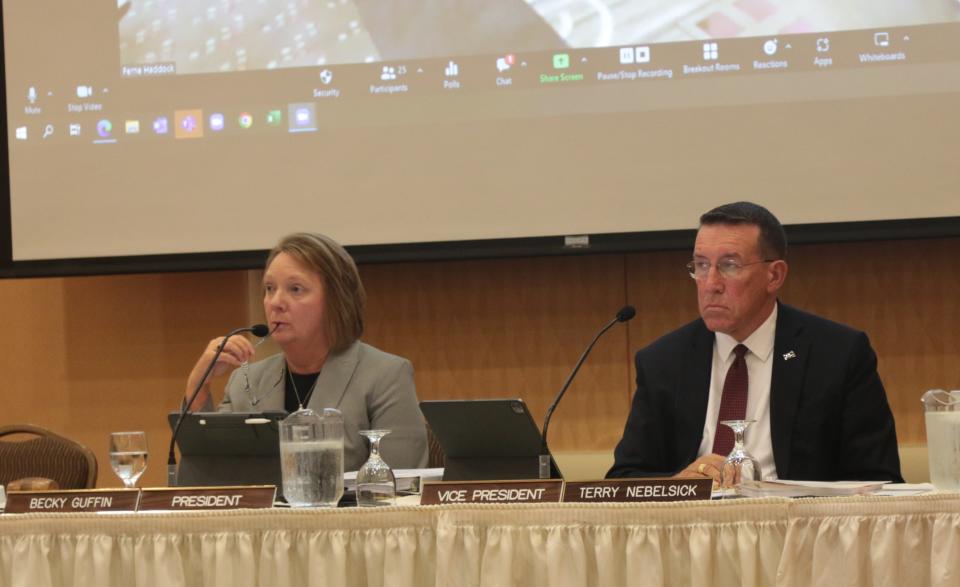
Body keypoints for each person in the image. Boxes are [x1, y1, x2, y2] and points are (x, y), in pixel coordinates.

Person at [608, 202, 903, 483]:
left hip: (797, 530)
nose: (710, 283)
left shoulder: (837, 355)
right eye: (700, 265)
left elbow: (879, 479)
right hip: (695, 528)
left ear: (774, 275)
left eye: (729, 265)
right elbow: (625, 478)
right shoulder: (663, 361)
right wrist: (679, 484)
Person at [185, 232, 428, 472]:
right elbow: (210, 475)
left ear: (336, 300)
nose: (275, 302)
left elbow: (403, 487)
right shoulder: (245, 382)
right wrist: (199, 386)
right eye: (269, 288)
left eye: (296, 289)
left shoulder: (385, 376)